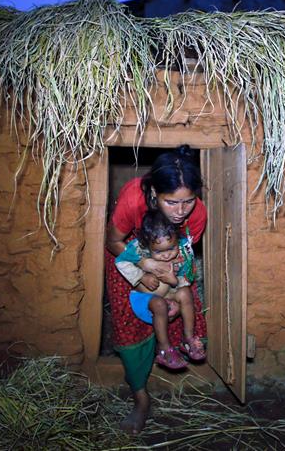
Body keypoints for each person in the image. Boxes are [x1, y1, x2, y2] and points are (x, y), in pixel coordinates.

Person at [105, 144, 207, 434]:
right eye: (171, 202)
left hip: (171, 266)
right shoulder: (133, 198)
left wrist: (176, 281)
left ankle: (181, 347)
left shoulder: (196, 214)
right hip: (129, 259)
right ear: (154, 194)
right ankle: (140, 398)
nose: (180, 211)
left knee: (181, 307)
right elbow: (113, 241)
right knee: (129, 327)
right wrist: (145, 267)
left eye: (187, 201)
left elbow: (185, 255)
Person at [115, 210, 206, 370]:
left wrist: (173, 280)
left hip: (170, 293)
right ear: (146, 245)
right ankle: (164, 348)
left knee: (185, 292)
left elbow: (187, 278)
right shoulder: (138, 249)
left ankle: (188, 338)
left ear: (177, 240)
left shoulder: (183, 252)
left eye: (171, 248)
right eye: (158, 252)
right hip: (145, 300)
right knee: (159, 304)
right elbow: (121, 261)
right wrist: (141, 276)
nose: (166, 255)